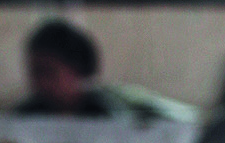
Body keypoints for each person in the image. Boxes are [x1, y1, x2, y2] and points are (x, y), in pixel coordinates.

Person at [20, 19, 196, 124]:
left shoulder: (106, 115)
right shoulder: (24, 117)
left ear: (78, 71)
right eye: (34, 72)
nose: (39, 81)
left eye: (48, 72)